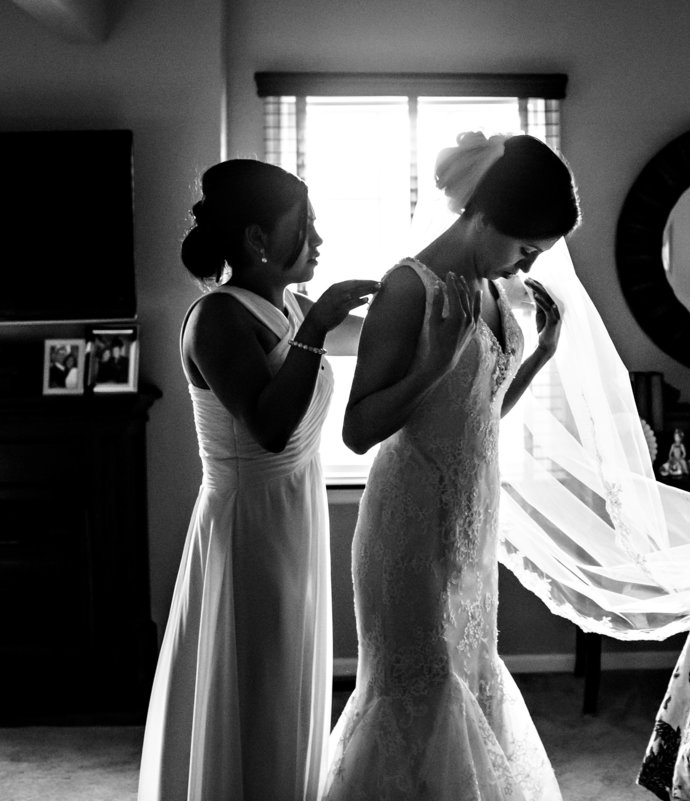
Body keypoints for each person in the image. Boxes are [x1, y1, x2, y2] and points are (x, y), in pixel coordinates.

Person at [323, 132, 576, 801]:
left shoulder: (493, 286)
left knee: (469, 675)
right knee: (420, 688)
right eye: (524, 246)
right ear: (483, 217)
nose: (526, 264)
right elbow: (357, 430)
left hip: (468, 520)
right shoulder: (409, 287)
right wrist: (431, 365)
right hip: (408, 524)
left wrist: (542, 355)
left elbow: (477, 415)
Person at [138, 159, 378, 801]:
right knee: (255, 680)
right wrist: (319, 327)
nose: (320, 242)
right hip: (246, 526)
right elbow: (270, 426)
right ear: (256, 240)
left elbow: (381, 340)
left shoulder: (292, 306)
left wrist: (428, 296)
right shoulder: (216, 317)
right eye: (306, 226)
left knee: (290, 681)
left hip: (297, 514)